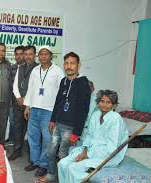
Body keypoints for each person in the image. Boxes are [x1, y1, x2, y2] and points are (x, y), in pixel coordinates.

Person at [39, 52, 91, 183]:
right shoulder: (64, 81)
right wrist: (52, 119)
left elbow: (83, 111)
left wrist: (76, 133)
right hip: (58, 124)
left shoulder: (83, 84)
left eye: (72, 63)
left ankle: (66, 179)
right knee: (50, 152)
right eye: (67, 63)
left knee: (63, 154)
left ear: (79, 65)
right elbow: (58, 102)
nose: (69, 66)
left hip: (71, 127)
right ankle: (51, 175)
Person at [58, 90, 128, 183]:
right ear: (98, 102)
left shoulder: (115, 119)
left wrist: (88, 155)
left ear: (114, 105)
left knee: (73, 168)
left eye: (108, 102)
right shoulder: (96, 115)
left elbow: (112, 148)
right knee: (62, 163)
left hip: (107, 156)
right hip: (90, 150)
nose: (104, 104)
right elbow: (89, 135)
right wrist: (85, 151)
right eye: (102, 101)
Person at [23, 46, 64, 177]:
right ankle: (35, 161)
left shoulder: (57, 71)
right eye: (41, 54)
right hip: (34, 109)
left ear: (51, 56)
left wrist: (57, 113)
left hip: (49, 111)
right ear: (38, 56)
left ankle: (43, 164)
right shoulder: (35, 70)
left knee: (47, 140)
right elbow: (30, 89)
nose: (43, 56)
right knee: (32, 138)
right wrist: (27, 106)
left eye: (46, 54)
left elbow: (61, 93)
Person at [8, 45, 38, 160]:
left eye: (30, 54)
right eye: (26, 54)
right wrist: (19, 97)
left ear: (34, 55)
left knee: (32, 131)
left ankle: (32, 155)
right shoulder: (20, 68)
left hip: (31, 105)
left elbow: (35, 87)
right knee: (17, 129)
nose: (28, 57)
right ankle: (17, 150)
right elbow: (15, 85)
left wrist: (27, 99)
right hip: (19, 104)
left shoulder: (38, 68)